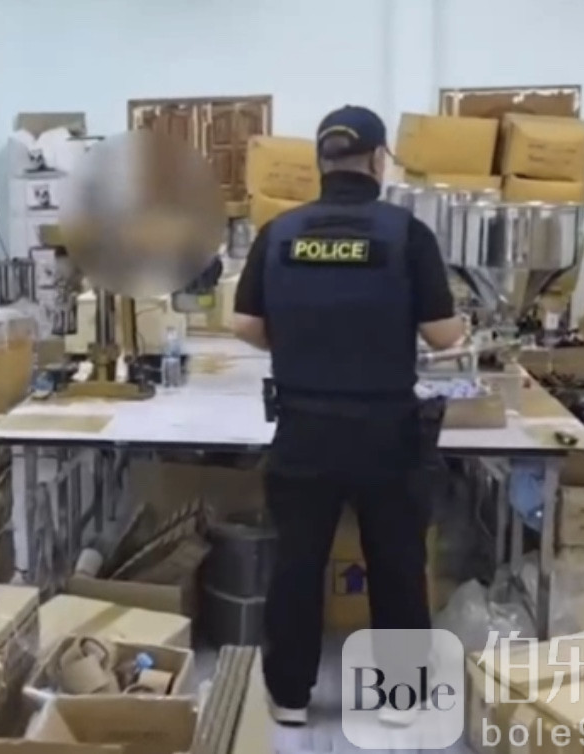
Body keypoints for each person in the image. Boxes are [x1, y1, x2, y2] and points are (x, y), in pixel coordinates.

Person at [231, 106, 466, 743]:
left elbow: (245, 324)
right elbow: (444, 336)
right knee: (395, 562)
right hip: (385, 431)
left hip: (303, 427)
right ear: (379, 159)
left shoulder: (280, 232)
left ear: (320, 161)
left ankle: (289, 698)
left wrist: (297, 342)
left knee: (297, 563)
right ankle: (399, 698)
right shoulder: (406, 234)